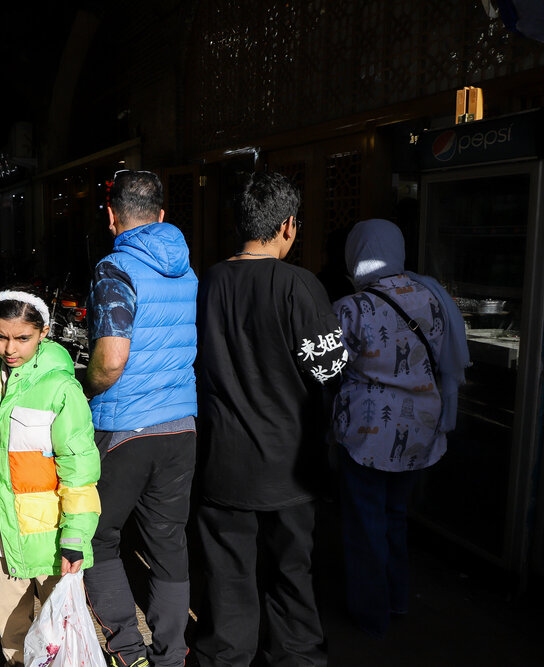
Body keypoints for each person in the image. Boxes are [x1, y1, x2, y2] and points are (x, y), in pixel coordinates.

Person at [195, 172, 344, 666]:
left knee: (226, 577)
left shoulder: (207, 283)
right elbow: (330, 370)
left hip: (222, 461)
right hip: (290, 465)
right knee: (291, 574)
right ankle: (295, 656)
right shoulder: (300, 285)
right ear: (287, 226)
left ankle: (227, 656)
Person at [331, 218, 468, 637]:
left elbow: (331, 370)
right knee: (395, 516)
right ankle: (398, 598)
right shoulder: (432, 296)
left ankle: (370, 615)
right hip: (420, 431)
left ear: (356, 254)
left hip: (366, 437)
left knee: (364, 523)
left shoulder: (350, 308)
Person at [83, 169, 198, 667]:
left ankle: (129, 651)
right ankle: (172, 654)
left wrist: (80, 385)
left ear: (111, 216)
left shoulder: (115, 269)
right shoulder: (187, 269)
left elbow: (110, 361)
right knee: (168, 540)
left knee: (98, 537)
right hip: (182, 426)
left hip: (125, 425)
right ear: (163, 216)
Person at [0, 288, 100, 666]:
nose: (10, 348)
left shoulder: (61, 389)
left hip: (51, 535)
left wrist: (75, 534)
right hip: (2, 532)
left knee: (60, 627)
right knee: (11, 628)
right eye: (0, 336)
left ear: (43, 333)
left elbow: (80, 471)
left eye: (23, 338)